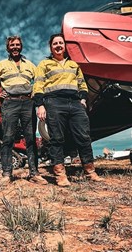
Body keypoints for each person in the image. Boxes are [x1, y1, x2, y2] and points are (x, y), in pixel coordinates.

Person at [33, 33, 103, 186]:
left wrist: (83, 99)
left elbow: (82, 84)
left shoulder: (73, 65)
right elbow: (38, 85)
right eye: (55, 44)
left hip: (75, 103)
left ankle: (90, 171)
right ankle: (60, 176)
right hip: (54, 102)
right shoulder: (44, 64)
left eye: (61, 43)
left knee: (83, 136)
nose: (58, 46)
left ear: (64, 46)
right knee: (56, 139)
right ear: (51, 47)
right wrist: (40, 105)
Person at [0, 35, 47, 185]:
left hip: (27, 104)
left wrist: (35, 93)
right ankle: (7, 174)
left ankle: (34, 173)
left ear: (21, 46)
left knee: (31, 139)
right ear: (8, 47)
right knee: (8, 138)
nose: (15, 47)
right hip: (9, 103)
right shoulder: (1, 65)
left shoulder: (31, 65)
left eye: (18, 45)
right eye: (12, 45)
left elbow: (39, 82)